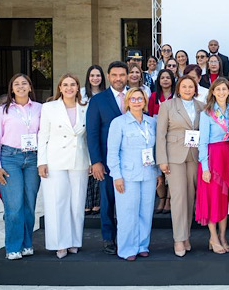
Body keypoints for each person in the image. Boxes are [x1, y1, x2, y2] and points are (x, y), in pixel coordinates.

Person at [0, 74, 42, 260]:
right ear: (11, 89)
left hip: (33, 158)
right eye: (16, 84)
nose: (20, 87)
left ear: (30, 87)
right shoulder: (2, 110)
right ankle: (13, 247)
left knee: (29, 204)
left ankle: (27, 244)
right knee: (14, 205)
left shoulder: (39, 108)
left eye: (24, 83)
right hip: (10, 158)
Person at [38, 74, 89, 259]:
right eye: (65, 85)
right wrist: (41, 162)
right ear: (59, 87)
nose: (69, 88)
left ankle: (74, 241)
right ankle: (60, 243)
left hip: (79, 160)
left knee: (77, 202)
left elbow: (88, 137)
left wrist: (91, 161)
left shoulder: (86, 106)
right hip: (55, 161)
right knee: (57, 202)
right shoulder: (49, 107)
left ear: (78, 87)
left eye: (73, 84)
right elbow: (43, 136)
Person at [106, 88, 160, 261]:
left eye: (140, 99)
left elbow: (156, 149)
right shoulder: (118, 123)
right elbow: (112, 152)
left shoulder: (152, 122)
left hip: (148, 173)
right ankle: (127, 248)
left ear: (145, 101)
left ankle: (142, 245)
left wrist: (158, 173)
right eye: (133, 99)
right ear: (127, 102)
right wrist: (116, 176)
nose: (137, 102)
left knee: (146, 211)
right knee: (127, 213)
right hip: (127, 175)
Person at [156, 76, 205, 257]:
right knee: (178, 198)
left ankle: (186, 236)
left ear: (195, 89)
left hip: (194, 155)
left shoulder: (202, 106)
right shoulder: (167, 106)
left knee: (190, 197)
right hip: (174, 156)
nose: (187, 89)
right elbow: (160, 134)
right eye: (184, 86)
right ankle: (178, 238)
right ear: (178, 88)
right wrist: (162, 159)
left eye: (190, 86)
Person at [87, 61, 129, 255]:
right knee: (108, 201)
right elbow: (92, 133)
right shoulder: (98, 100)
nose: (118, 79)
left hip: (131, 161)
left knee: (128, 201)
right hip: (106, 161)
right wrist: (96, 161)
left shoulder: (135, 96)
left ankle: (127, 236)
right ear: (109, 77)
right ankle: (108, 238)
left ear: (127, 76)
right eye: (114, 75)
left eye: (122, 75)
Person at [196, 79, 229, 254]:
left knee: (224, 199)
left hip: (228, 157)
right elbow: (203, 142)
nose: (221, 92)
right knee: (213, 198)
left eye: (224, 89)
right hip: (213, 158)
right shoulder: (207, 113)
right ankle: (213, 237)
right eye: (218, 89)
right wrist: (205, 167)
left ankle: (223, 236)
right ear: (212, 92)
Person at [81, 65, 105, 215]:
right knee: (86, 169)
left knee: (97, 165)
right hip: (83, 134)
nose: (95, 78)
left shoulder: (105, 94)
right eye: (92, 75)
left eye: (98, 75)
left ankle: (97, 202)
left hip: (99, 133)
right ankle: (86, 203)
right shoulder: (81, 94)